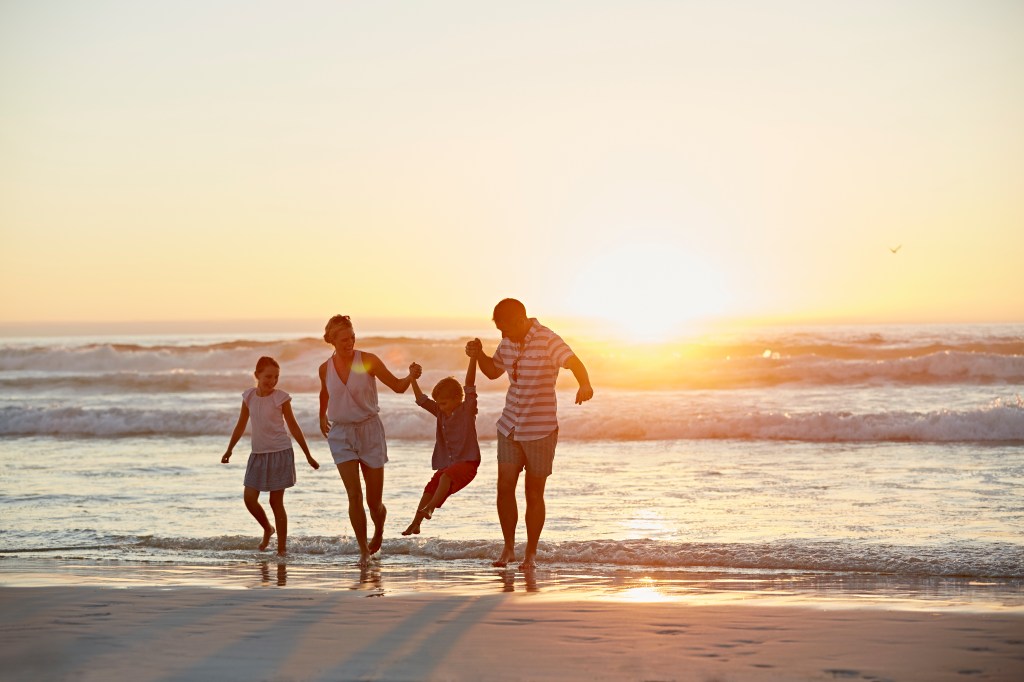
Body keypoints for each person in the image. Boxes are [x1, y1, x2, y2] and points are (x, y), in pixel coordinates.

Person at [466, 298, 593, 570]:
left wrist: (585, 384)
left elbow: (573, 361)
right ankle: (509, 548)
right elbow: (491, 372)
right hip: (510, 425)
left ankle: (530, 555)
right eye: (499, 330)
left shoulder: (548, 339)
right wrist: (478, 355)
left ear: (521, 320)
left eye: (506, 328)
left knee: (534, 494)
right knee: (504, 488)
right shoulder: (508, 342)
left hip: (540, 429)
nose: (503, 335)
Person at [318, 314, 421, 567]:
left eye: (352, 337)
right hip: (341, 434)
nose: (349, 342)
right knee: (354, 495)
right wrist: (322, 415)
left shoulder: (367, 361)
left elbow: (397, 387)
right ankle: (363, 550)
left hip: (369, 431)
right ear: (331, 340)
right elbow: (325, 391)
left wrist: (411, 377)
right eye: (343, 339)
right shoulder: (325, 368)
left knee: (374, 503)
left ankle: (379, 531)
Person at [221, 356, 319, 557]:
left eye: (276, 377)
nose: (272, 381)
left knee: (276, 502)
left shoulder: (281, 398)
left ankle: (282, 549)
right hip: (257, 454)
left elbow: (293, 426)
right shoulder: (248, 397)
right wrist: (229, 449)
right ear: (256, 375)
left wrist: (308, 455)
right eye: (268, 376)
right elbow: (241, 424)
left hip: (280, 453)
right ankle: (267, 528)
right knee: (249, 498)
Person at [401, 355, 481, 536]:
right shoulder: (440, 411)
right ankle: (415, 524)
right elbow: (421, 399)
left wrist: (473, 359)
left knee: (445, 477)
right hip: (450, 465)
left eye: (444, 403)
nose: (441, 407)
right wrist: (412, 378)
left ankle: (430, 509)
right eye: (439, 404)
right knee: (430, 488)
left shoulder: (466, 410)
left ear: (457, 399)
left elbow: (470, 384)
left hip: (468, 464)